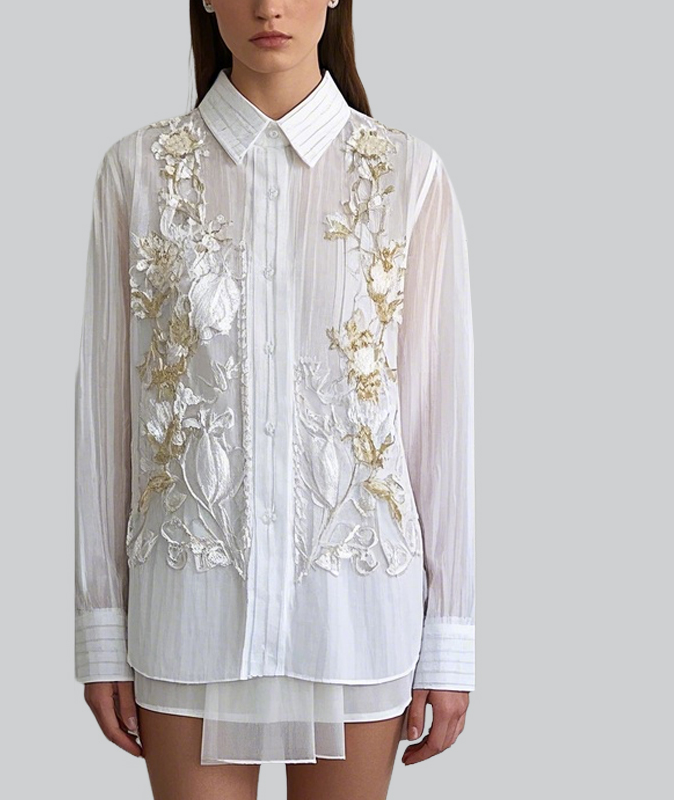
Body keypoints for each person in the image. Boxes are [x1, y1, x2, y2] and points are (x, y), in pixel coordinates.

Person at [74, 1, 475, 797]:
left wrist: (450, 638)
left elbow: (439, 418)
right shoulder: (138, 171)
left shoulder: (408, 174)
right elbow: (104, 413)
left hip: (355, 612)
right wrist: (100, 625)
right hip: (189, 611)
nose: (268, 6)